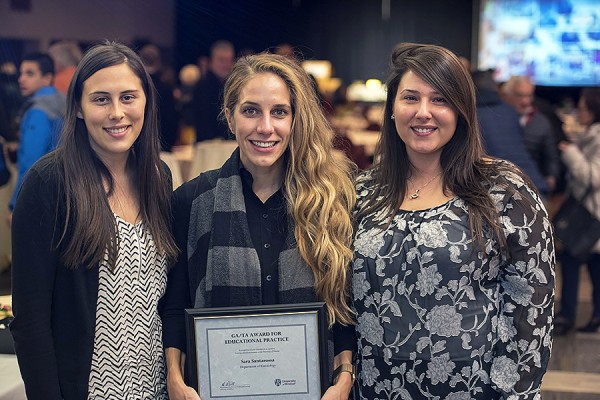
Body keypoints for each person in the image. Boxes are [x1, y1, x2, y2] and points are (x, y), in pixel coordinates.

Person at [352, 43, 555, 399]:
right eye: (410, 98)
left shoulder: (503, 189)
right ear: (392, 109)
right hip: (375, 388)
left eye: (440, 100)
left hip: (475, 391)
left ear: (461, 111)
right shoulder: (364, 191)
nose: (423, 113)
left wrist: (514, 390)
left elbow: (532, 303)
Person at [161, 53, 357, 400]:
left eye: (279, 112)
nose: (265, 127)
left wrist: (343, 382)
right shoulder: (192, 201)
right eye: (251, 110)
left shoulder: (329, 202)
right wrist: (176, 381)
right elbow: (176, 305)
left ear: (295, 119)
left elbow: (342, 309)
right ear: (229, 116)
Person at [10, 41, 178, 399]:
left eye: (129, 97)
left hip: (156, 388)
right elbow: (31, 321)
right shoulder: (50, 183)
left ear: (146, 101)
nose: (117, 112)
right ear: (80, 108)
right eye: (101, 99)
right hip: (89, 390)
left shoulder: (158, 177)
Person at [554, 87, 600, 335]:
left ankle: (570, 315)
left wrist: (570, 152)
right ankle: (585, 316)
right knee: (591, 266)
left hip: (591, 215)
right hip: (589, 214)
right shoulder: (590, 135)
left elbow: (593, 177)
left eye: (582, 108)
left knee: (574, 260)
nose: (578, 113)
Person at [8, 52, 66, 225]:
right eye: (21, 73)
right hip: (64, 195)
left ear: (47, 78)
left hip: (37, 198)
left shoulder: (37, 111)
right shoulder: (65, 103)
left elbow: (31, 163)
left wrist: (15, 206)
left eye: (29, 73)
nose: (21, 79)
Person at [471, 69, 548, 194]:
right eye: (520, 95)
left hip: (507, 189)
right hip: (533, 182)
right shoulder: (510, 111)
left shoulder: (471, 115)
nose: (526, 101)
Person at [501, 75, 560, 194]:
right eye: (520, 95)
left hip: (532, 185)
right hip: (501, 182)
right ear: (506, 96)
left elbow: (551, 156)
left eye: (529, 95)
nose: (526, 101)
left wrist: (551, 177)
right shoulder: (496, 119)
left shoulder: (541, 122)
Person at [138, 43, 180, 151]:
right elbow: (171, 119)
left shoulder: (135, 86)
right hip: (162, 145)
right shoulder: (165, 87)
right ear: (158, 62)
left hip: (138, 145)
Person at [192, 40, 235, 142]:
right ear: (211, 61)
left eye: (229, 60)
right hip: (208, 145)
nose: (226, 64)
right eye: (221, 60)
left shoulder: (232, 86)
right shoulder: (203, 86)